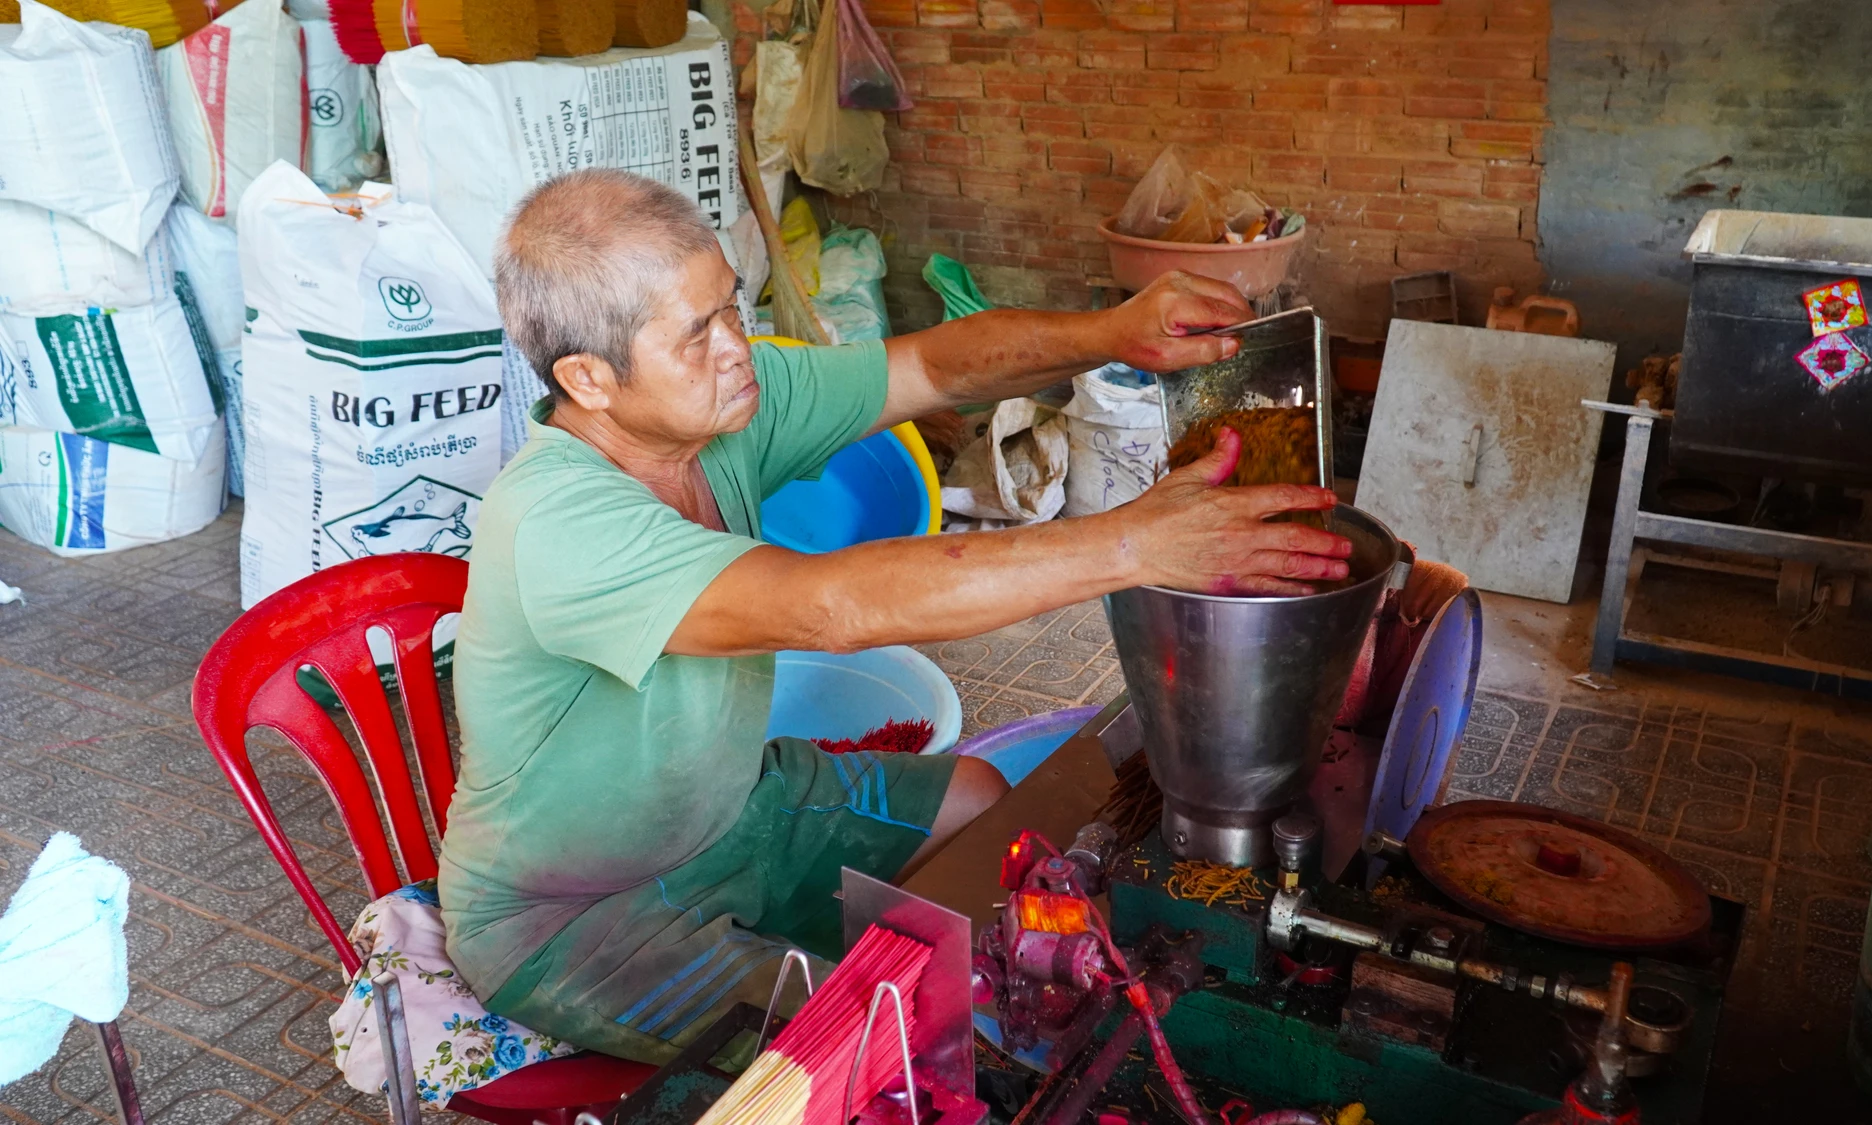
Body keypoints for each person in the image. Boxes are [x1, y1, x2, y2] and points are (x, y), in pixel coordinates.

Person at [437, 168, 1353, 1064]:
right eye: (696, 333)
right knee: (875, 1040)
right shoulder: (555, 522)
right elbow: (830, 606)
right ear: (589, 379)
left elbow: (930, 366)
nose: (736, 346)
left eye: (732, 306)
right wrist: (1133, 546)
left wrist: (1117, 330)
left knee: (981, 807)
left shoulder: (714, 417)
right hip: (575, 914)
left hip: (737, 807)